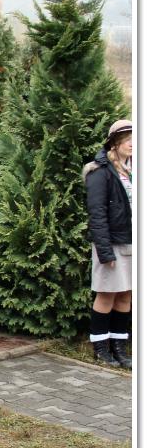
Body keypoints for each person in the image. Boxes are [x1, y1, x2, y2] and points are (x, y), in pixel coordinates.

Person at [83, 119, 132, 369]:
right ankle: (101, 349)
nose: (134, 143)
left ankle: (119, 348)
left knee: (126, 295)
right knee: (106, 294)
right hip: (111, 244)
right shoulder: (99, 172)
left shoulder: (136, 169)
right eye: (128, 138)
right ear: (115, 142)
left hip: (133, 244)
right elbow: (97, 214)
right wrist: (104, 251)